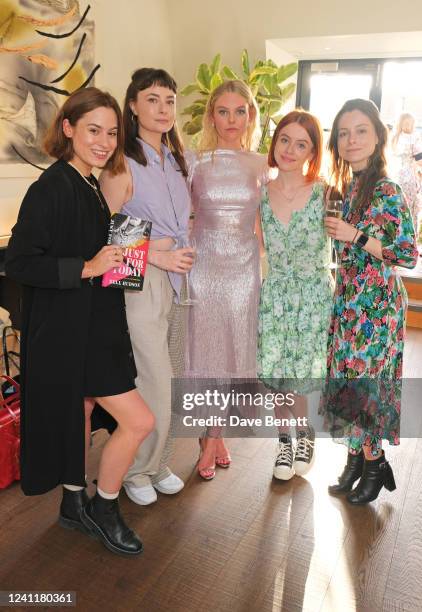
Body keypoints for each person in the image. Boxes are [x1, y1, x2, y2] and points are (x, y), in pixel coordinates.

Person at [5, 87, 155, 555]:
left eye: (112, 133)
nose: (105, 141)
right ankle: (104, 508)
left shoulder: (89, 184)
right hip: (73, 334)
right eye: (94, 130)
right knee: (139, 422)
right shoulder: (49, 188)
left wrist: (119, 255)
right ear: (68, 128)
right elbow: (19, 263)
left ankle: (73, 504)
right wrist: (88, 267)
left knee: (83, 413)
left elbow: (95, 250)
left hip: (95, 327)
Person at [100, 68, 191, 505]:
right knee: (152, 379)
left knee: (169, 379)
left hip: (177, 280)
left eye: (169, 100)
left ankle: (156, 464)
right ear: (132, 105)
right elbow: (103, 229)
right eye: (152, 99)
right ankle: (136, 470)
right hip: (137, 279)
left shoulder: (174, 160)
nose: (163, 109)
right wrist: (157, 254)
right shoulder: (123, 161)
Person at [322, 98, 418, 505]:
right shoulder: (351, 187)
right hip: (349, 301)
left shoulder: (387, 189)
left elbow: (407, 254)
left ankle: (374, 464)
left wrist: (355, 236)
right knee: (347, 382)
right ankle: (355, 461)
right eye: (344, 133)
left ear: (378, 136)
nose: (351, 139)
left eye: (361, 130)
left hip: (377, 306)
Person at [184, 80, 266, 480]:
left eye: (240, 111)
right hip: (203, 266)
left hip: (243, 268)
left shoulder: (261, 163)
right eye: (224, 111)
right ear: (211, 114)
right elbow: (180, 214)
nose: (232, 120)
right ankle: (210, 433)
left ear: (250, 116)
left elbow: (270, 220)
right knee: (206, 353)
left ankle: (214, 432)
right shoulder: (193, 159)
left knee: (234, 352)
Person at [258, 110, 334, 480]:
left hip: (313, 297)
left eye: (301, 143)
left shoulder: (325, 193)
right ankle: (284, 442)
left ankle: (304, 432)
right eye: (284, 139)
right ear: (275, 143)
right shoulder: (259, 194)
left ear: (312, 151)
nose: (290, 149)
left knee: (299, 375)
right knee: (277, 375)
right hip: (275, 296)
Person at [391, 112, 422, 233]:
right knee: (410, 210)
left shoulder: (394, 138)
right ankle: (409, 240)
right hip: (409, 178)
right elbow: (419, 159)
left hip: (395, 176)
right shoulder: (413, 138)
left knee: (397, 209)